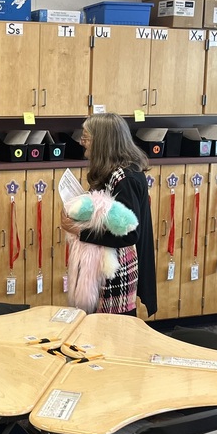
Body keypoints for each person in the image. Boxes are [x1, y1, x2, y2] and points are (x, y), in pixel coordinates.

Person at [60, 113, 157, 316]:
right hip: (105, 265)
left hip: (115, 270)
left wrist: (79, 231)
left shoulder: (124, 178)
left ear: (102, 141)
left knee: (111, 333)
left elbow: (128, 234)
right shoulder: (114, 172)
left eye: (86, 137)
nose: (82, 142)